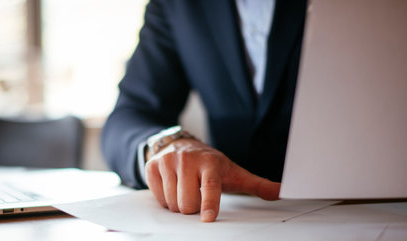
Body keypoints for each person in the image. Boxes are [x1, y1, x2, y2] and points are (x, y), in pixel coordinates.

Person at [101, 0, 308, 222]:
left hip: (344, 209)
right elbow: (129, 115)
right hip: (227, 217)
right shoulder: (176, 5)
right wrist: (169, 145)